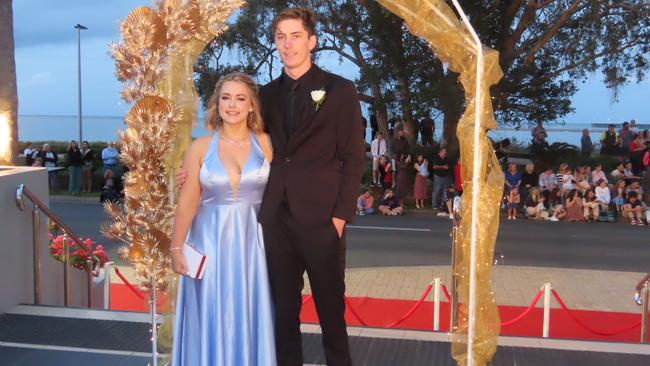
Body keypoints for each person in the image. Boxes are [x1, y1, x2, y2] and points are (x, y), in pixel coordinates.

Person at [256, 9, 364, 365]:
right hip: (276, 219)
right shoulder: (265, 95)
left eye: (295, 36)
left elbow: (353, 158)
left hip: (322, 221)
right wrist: (195, 169)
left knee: (331, 315)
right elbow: (243, 143)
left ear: (312, 41)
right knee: (282, 315)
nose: (287, 44)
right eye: (281, 37)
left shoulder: (340, 90)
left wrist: (340, 216)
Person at [170, 73, 276, 365]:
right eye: (225, 98)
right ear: (216, 105)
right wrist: (176, 248)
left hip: (253, 246)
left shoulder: (267, 144)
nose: (232, 105)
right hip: (208, 243)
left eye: (240, 98)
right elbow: (188, 201)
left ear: (252, 105)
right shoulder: (200, 147)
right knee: (209, 310)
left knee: (250, 311)